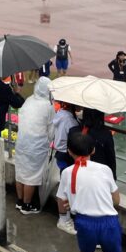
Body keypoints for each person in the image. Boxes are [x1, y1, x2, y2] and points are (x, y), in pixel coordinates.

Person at [56, 133, 121, 252]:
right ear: (93, 150)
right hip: (109, 222)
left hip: (84, 222)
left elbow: (61, 200)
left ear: (69, 151)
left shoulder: (67, 173)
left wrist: (68, 211)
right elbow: (116, 200)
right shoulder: (105, 169)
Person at [14, 77, 54, 214]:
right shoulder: (48, 106)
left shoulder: (29, 100)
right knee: (31, 176)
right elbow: (51, 130)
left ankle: (20, 201)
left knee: (20, 173)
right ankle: (27, 205)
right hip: (36, 145)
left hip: (21, 142)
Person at [53, 101, 80, 235]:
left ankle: (65, 217)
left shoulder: (61, 114)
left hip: (60, 154)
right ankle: (63, 219)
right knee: (65, 188)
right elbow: (74, 139)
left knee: (65, 186)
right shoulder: (70, 121)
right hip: (66, 156)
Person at [70, 109, 116, 180]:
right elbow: (111, 157)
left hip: (77, 172)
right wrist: (113, 177)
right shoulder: (106, 134)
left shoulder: (73, 131)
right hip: (99, 173)